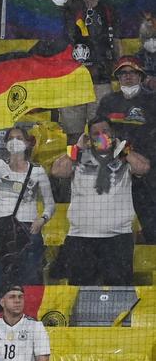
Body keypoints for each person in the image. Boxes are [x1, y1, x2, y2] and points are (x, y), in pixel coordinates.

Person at [50, 117, 149, 285]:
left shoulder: (124, 155)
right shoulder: (77, 155)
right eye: (95, 134)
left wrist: (123, 149)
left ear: (113, 134)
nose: (101, 136)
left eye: (105, 132)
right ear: (88, 137)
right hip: (81, 238)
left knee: (119, 292)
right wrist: (77, 147)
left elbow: (143, 167)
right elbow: (57, 171)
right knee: (81, 293)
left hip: (118, 238)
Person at [0, 126, 54, 287]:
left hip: (28, 232)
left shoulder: (38, 171)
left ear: (28, 143)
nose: (15, 142)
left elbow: (50, 205)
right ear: (5, 143)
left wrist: (42, 219)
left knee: (29, 282)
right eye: (11, 138)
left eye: (19, 138)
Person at [53, 0, 118, 136]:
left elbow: (116, 42)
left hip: (100, 79)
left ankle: (98, 163)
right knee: (72, 133)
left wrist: (116, 68)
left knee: (101, 131)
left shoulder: (108, 8)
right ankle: (73, 162)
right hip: (71, 77)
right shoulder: (72, 5)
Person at [98, 56, 156, 238]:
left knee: (150, 218)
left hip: (148, 168)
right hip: (115, 168)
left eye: (132, 72)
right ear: (117, 77)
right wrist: (122, 155)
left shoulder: (152, 100)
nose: (128, 76)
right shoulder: (108, 102)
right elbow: (98, 136)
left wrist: (142, 161)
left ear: (140, 76)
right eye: (123, 73)